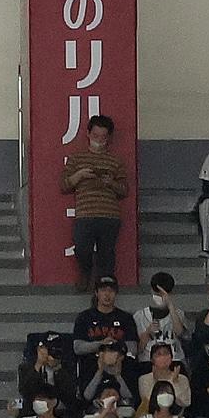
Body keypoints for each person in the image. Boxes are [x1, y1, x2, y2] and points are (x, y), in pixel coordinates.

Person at [61, 115, 130, 289]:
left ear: (109, 138)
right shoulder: (77, 158)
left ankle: (104, 287)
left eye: (103, 137)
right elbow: (64, 185)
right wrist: (80, 175)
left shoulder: (116, 161)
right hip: (85, 213)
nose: (99, 140)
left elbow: (124, 190)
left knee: (106, 254)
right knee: (82, 249)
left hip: (110, 215)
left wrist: (111, 183)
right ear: (88, 134)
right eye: (95, 136)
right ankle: (85, 273)